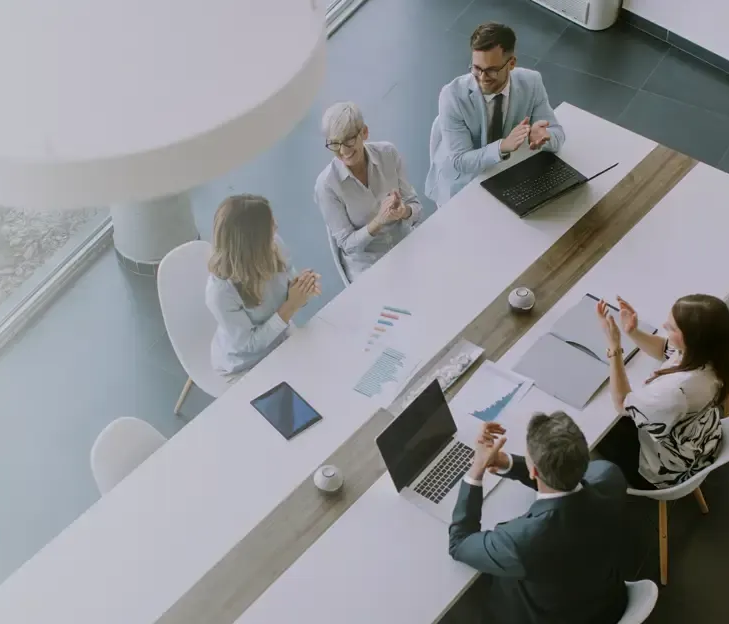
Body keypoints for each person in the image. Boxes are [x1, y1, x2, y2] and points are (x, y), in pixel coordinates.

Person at [449, 413, 628, 624]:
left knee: (460, 607)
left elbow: (459, 542)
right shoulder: (610, 477)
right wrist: (507, 462)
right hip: (611, 606)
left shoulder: (521, 541)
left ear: (534, 471)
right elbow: (565, 479)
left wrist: (476, 469)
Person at [594, 294, 729, 489]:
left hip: (665, 468)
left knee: (594, 435)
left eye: (671, 327)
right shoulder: (712, 354)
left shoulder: (677, 390)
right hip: (700, 439)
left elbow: (622, 403)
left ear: (691, 337)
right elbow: (665, 349)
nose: (663, 326)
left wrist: (614, 347)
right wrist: (633, 332)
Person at [425, 22, 566, 206]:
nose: (482, 78)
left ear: (512, 63)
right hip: (462, 183)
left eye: (491, 70)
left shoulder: (532, 82)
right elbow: (460, 161)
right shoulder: (452, 96)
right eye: (476, 68)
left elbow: (558, 135)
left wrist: (544, 137)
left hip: (507, 174)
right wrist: (502, 147)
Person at [205, 195, 321, 376]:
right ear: (252, 243)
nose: (276, 226)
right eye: (270, 225)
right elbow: (249, 344)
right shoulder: (221, 293)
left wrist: (302, 288)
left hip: (281, 339)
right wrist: (291, 306)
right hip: (246, 365)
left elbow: (290, 287)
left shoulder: (274, 245)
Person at [313, 102, 423, 279]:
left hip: (405, 246)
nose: (343, 151)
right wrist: (379, 221)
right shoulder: (326, 186)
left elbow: (416, 209)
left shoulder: (388, 153)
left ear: (364, 132)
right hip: (369, 267)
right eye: (334, 143)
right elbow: (348, 245)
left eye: (349, 140)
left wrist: (404, 211)